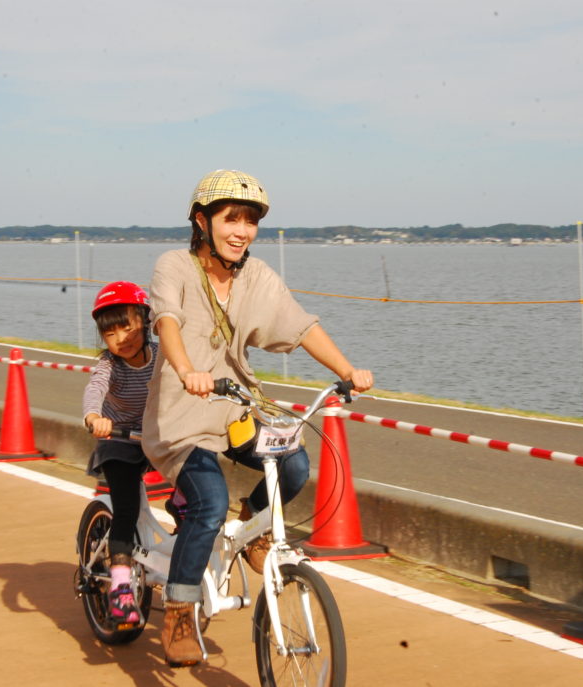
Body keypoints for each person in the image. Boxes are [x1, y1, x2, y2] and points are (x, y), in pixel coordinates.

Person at [142, 169, 374, 665]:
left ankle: (254, 524)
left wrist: (347, 369)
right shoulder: (174, 267)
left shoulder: (257, 276)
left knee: (293, 462)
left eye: (250, 221)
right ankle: (180, 610)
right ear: (202, 221)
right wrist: (185, 370)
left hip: (236, 410)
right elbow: (167, 322)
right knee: (209, 501)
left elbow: (300, 324)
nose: (241, 231)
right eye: (232, 219)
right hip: (181, 419)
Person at [82, 281, 157, 630]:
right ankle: (122, 587)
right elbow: (95, 388)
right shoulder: (110, 365)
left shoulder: (163, 356)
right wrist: (94, 418)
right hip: (119, 440)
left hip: (157, 438)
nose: (121, 338)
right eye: (110, 332)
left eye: (128, 326)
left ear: (146, 320)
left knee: (196, 484)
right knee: (125, 509)